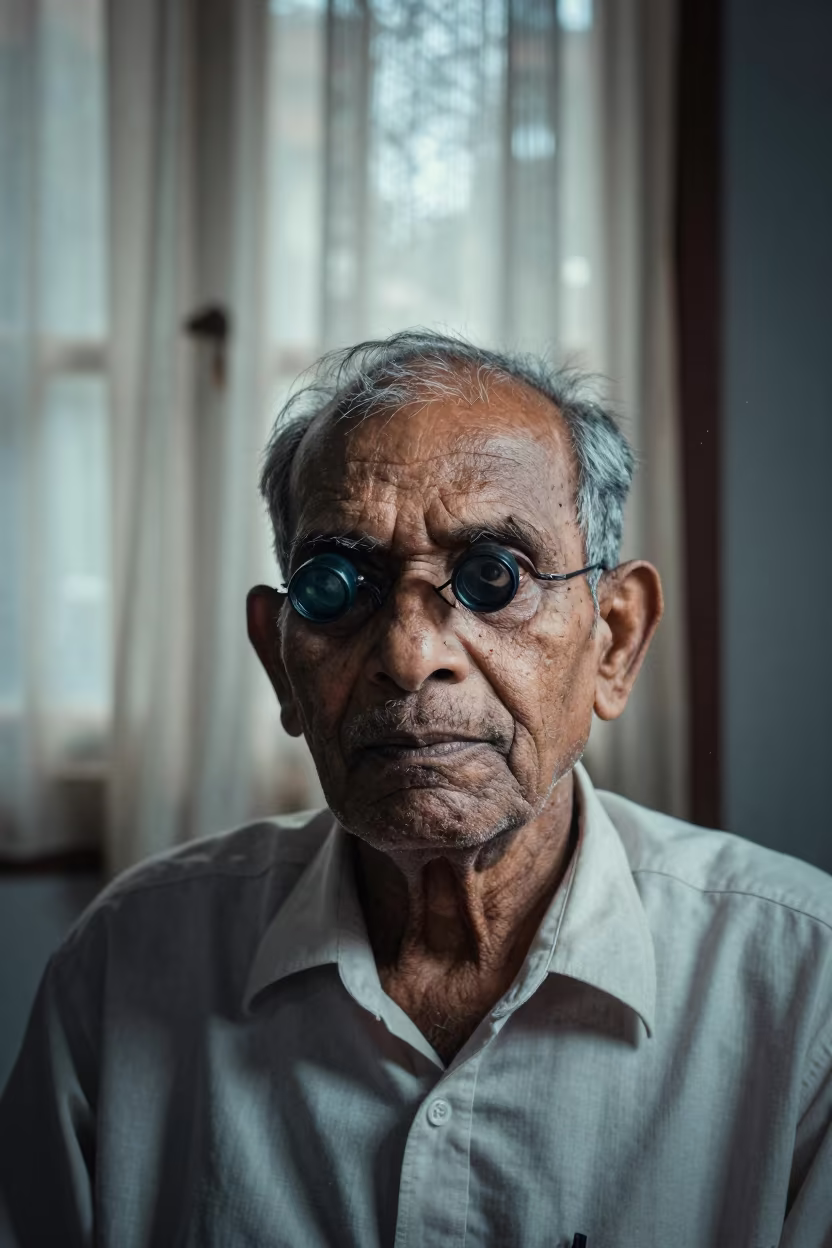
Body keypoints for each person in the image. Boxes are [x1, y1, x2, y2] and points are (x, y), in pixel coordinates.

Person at [1, 331, 830, 1247]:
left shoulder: (802, 990)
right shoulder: (126, 965)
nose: (409, 654)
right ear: (280, 663)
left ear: (616, 640)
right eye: (335, 586)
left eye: (492, 577)